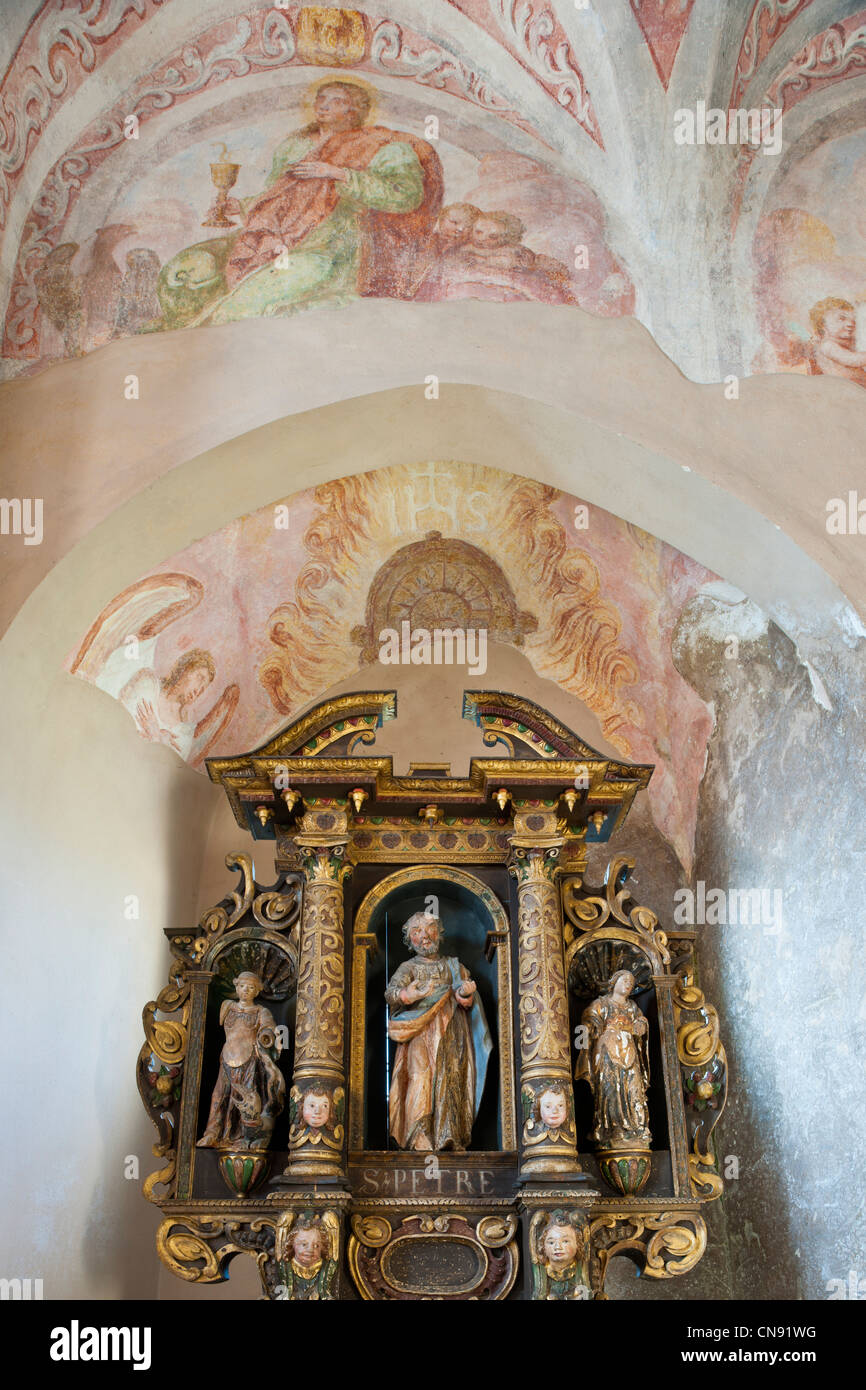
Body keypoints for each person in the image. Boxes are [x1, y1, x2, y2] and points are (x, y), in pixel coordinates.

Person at [155, 80, 443, 328]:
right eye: (321, 99)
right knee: (188, 268)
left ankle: (202, 342)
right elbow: (279, 196)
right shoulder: (294, 146)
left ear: (355, 109)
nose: (324, 106)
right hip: (278, 236)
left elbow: (405, 197)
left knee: (245, 303)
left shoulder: (383, 146)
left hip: (328, 247)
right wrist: (240, 206)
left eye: (337, 101)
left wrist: (338, 173)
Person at [385, 909, 491, 1151]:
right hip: (418, 1032)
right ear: (409, 940)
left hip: (452, 1030)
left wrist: (464, 995)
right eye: (416, 931)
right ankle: (418, 1135)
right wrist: (406, 994)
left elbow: (467, 1001)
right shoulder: (408, 967)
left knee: (450, 1076)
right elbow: (391, 994)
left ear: (439, 933)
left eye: (430, 929)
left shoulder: (454, 966)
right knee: (420, 1077)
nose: (424, 935)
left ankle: (448, 1134)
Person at [198, 972, 285, 1150]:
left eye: (251, 987)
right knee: (218, 1095)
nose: (246, 990)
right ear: (236, 987)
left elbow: (269, 1028)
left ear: (257, 991)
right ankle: (212, 1133)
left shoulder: (261, 1011)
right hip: (227, 1058)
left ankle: (243, 1135)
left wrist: (266, 1035)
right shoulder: (227, 1007)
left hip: (249, 1062)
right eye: (243, 986)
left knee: (245, 1099)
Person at [575, 969, 651, 1146]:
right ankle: (612, 1129)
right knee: (611, 1089)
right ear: (613, 982)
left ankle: (637, 1128)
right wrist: (590, 1029)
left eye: (631, 983)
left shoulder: (632, 1007)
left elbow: (641, 1023)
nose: (627, 984)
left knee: (634, 1089)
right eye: (624, 980)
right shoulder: (601, 1004)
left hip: (630, 1053)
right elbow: (587, 1022)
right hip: (608, 1052)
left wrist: (641, 1024)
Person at [809, 297, 866, 386]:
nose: (850, 324)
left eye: (853, 320)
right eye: (841, 319)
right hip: (845, 390)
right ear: (822, 324)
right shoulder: (827, 345)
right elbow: (852, 360)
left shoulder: (846, 342)